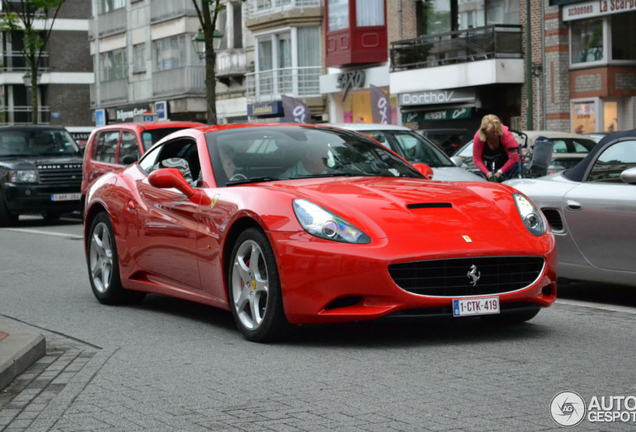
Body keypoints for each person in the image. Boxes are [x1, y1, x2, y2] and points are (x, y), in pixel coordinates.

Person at [472, 114, 520, 181]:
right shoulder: (478, 137)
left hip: (511, 163)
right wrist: (488, 173)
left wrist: (500, 171)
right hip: (491, 164)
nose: (496, 134)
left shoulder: (506, 133)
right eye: (492, 132)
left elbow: (514, 157)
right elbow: (477, 159)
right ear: (485, 132)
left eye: (497, 130)